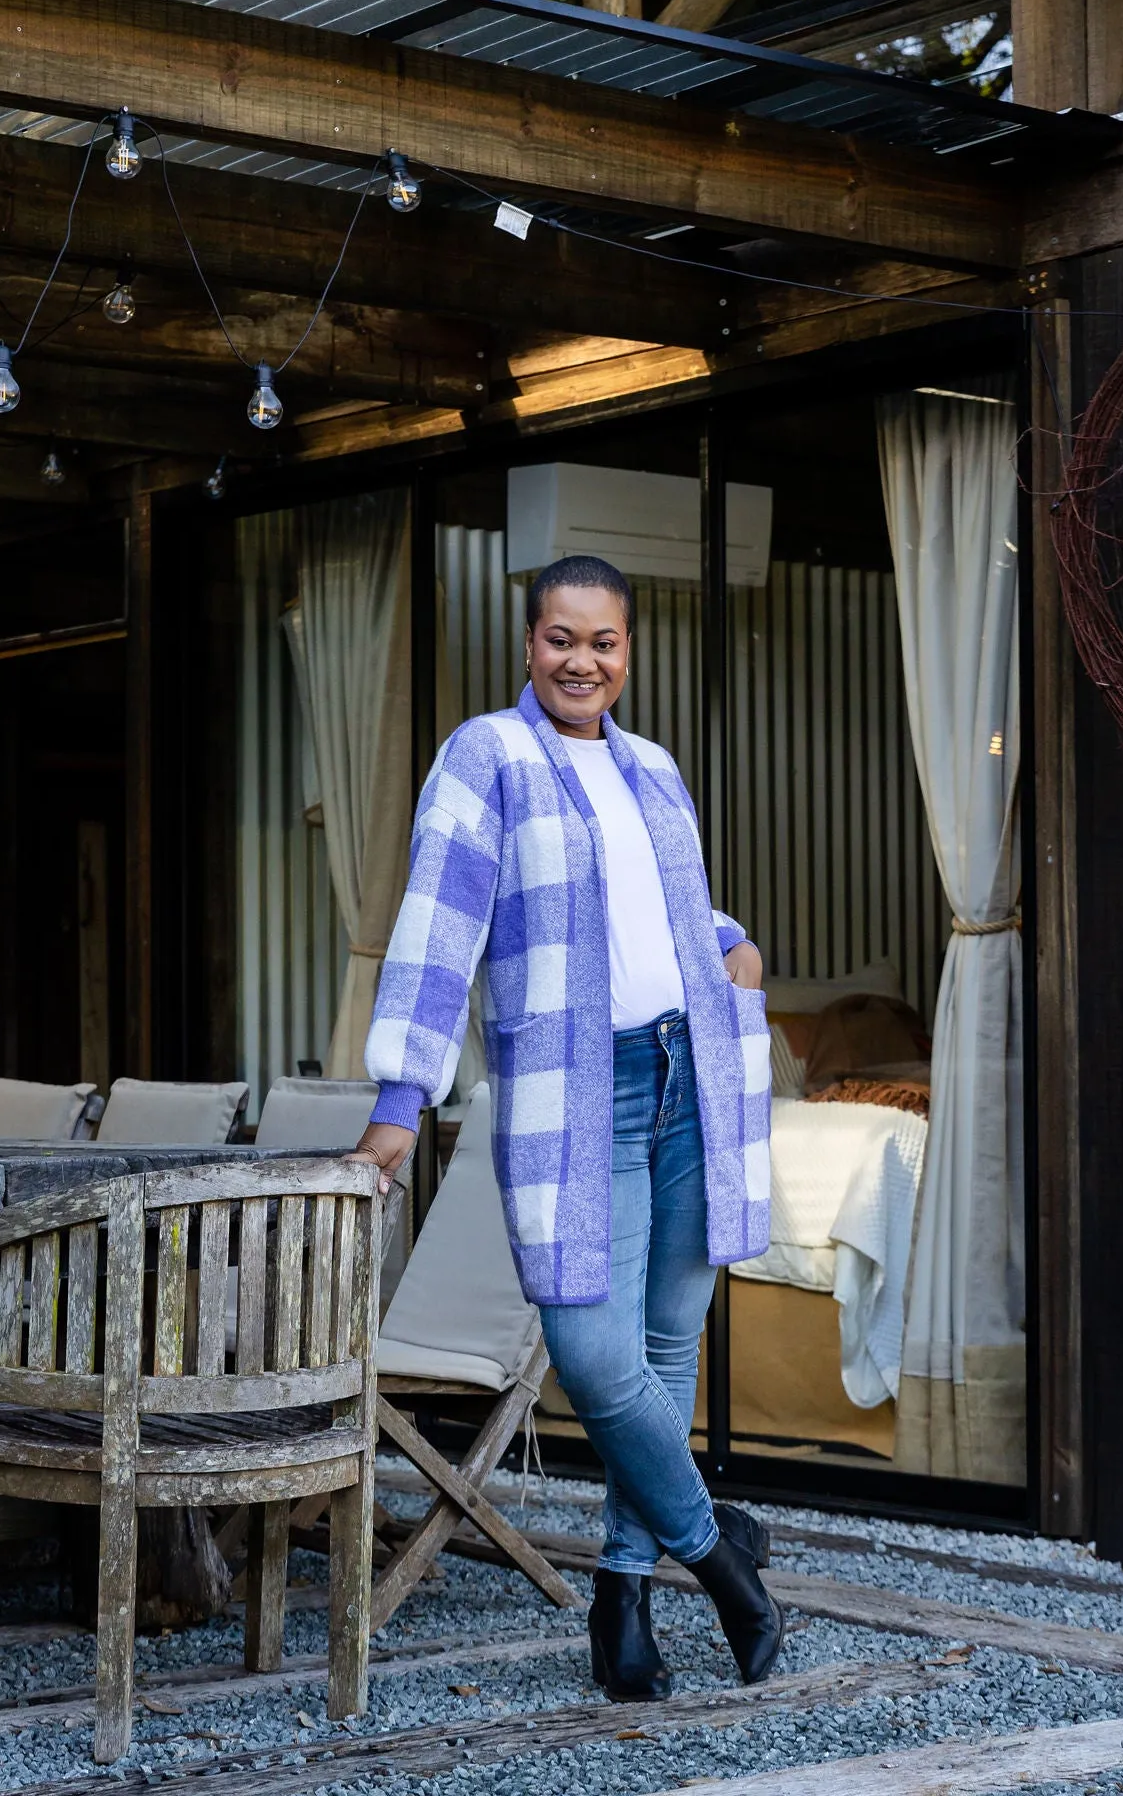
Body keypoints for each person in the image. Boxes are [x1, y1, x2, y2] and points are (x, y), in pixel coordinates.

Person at [347, 552, 780, 1701]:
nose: (581, 660)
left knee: (663, 1344)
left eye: (603, 642)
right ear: (528, 641)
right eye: (559, 638)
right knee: (592, 1355)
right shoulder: (485, 757)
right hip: (583, 1091)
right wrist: (401, 1099)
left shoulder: (654, 767)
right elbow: (440, 922)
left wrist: (728, 933)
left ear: (627, 652)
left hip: (693, 1072)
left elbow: (658, 901)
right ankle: (719, 1558)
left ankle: (620, 1601)